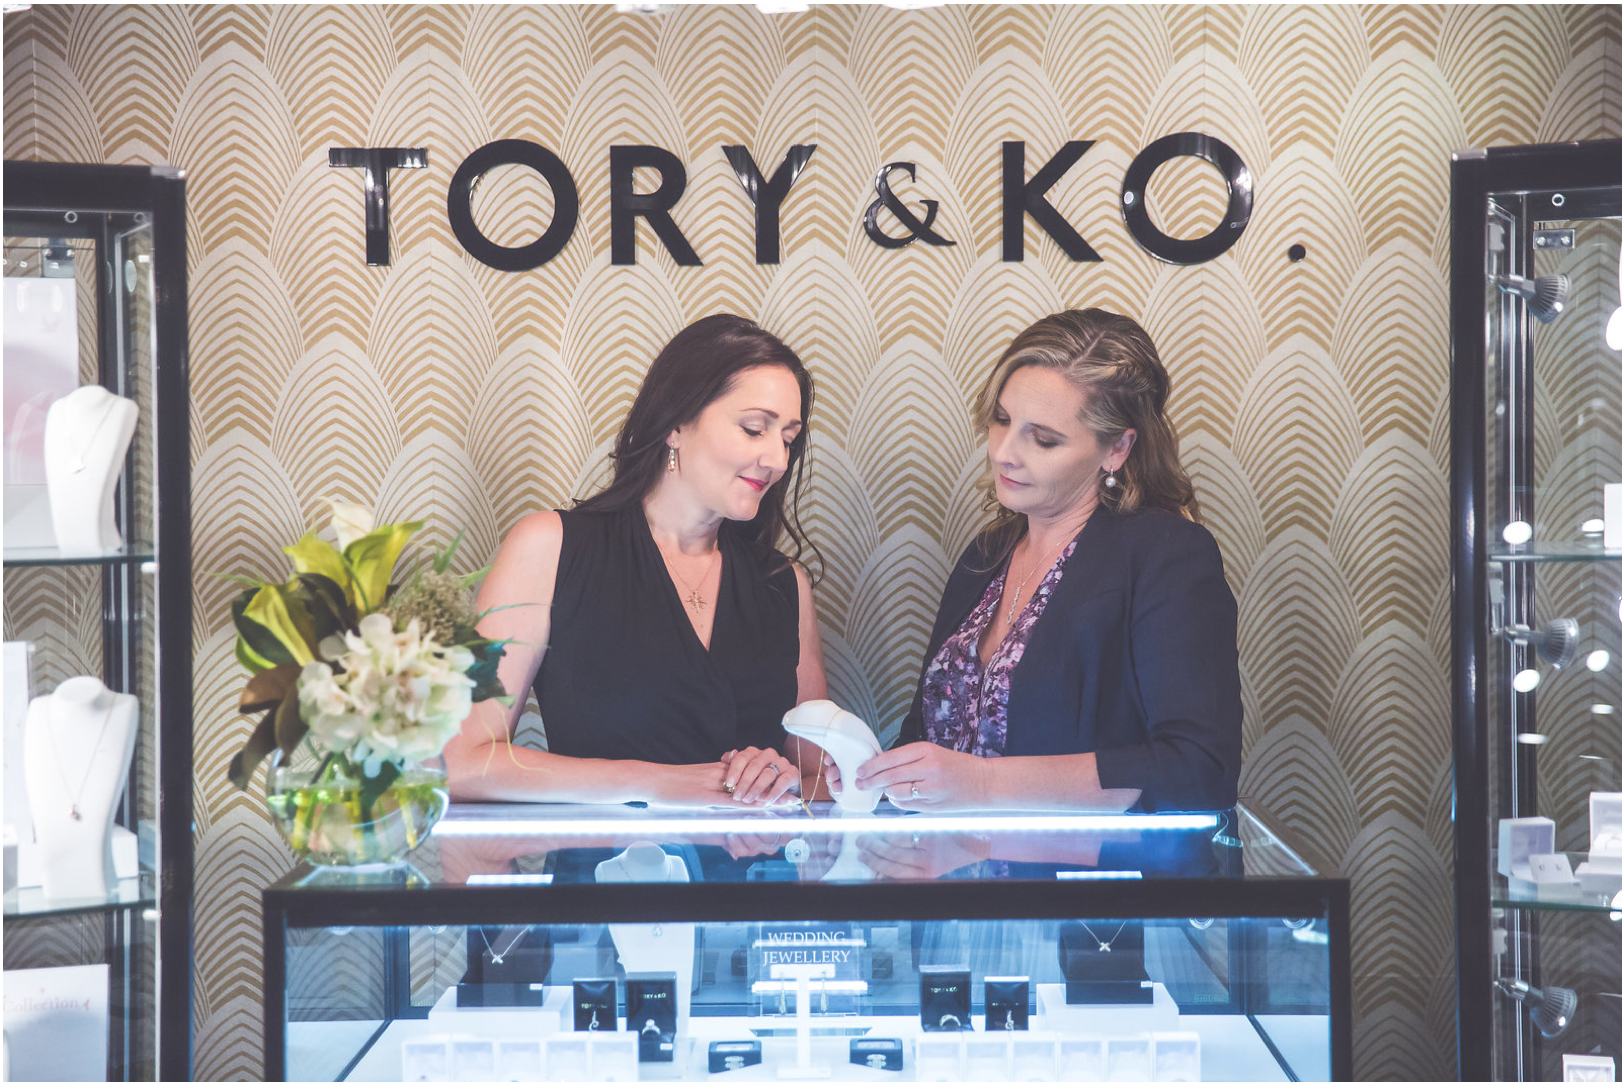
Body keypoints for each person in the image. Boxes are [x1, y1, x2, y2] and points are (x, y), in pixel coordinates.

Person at [835, 308, 1241, 813]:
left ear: (1117, 447)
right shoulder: (987, 554)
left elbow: (1199, 768)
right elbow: (932, 735)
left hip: (1088, 886)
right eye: (1001, 420)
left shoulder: (1166, 556)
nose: (1004, 452)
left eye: (1043, 438)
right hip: (956, 881)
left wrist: (984, 784)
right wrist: (864, 772)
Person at [444, 314, 827, 807]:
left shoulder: (784, 584)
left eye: (789, 439)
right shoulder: (550, 546)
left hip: (757, 878)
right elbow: (462, 762)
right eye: (755, 429)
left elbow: (822, 779)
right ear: (675, 424)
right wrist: (654, 782)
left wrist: (786, 777)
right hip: (603, 879)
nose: (776, 459)